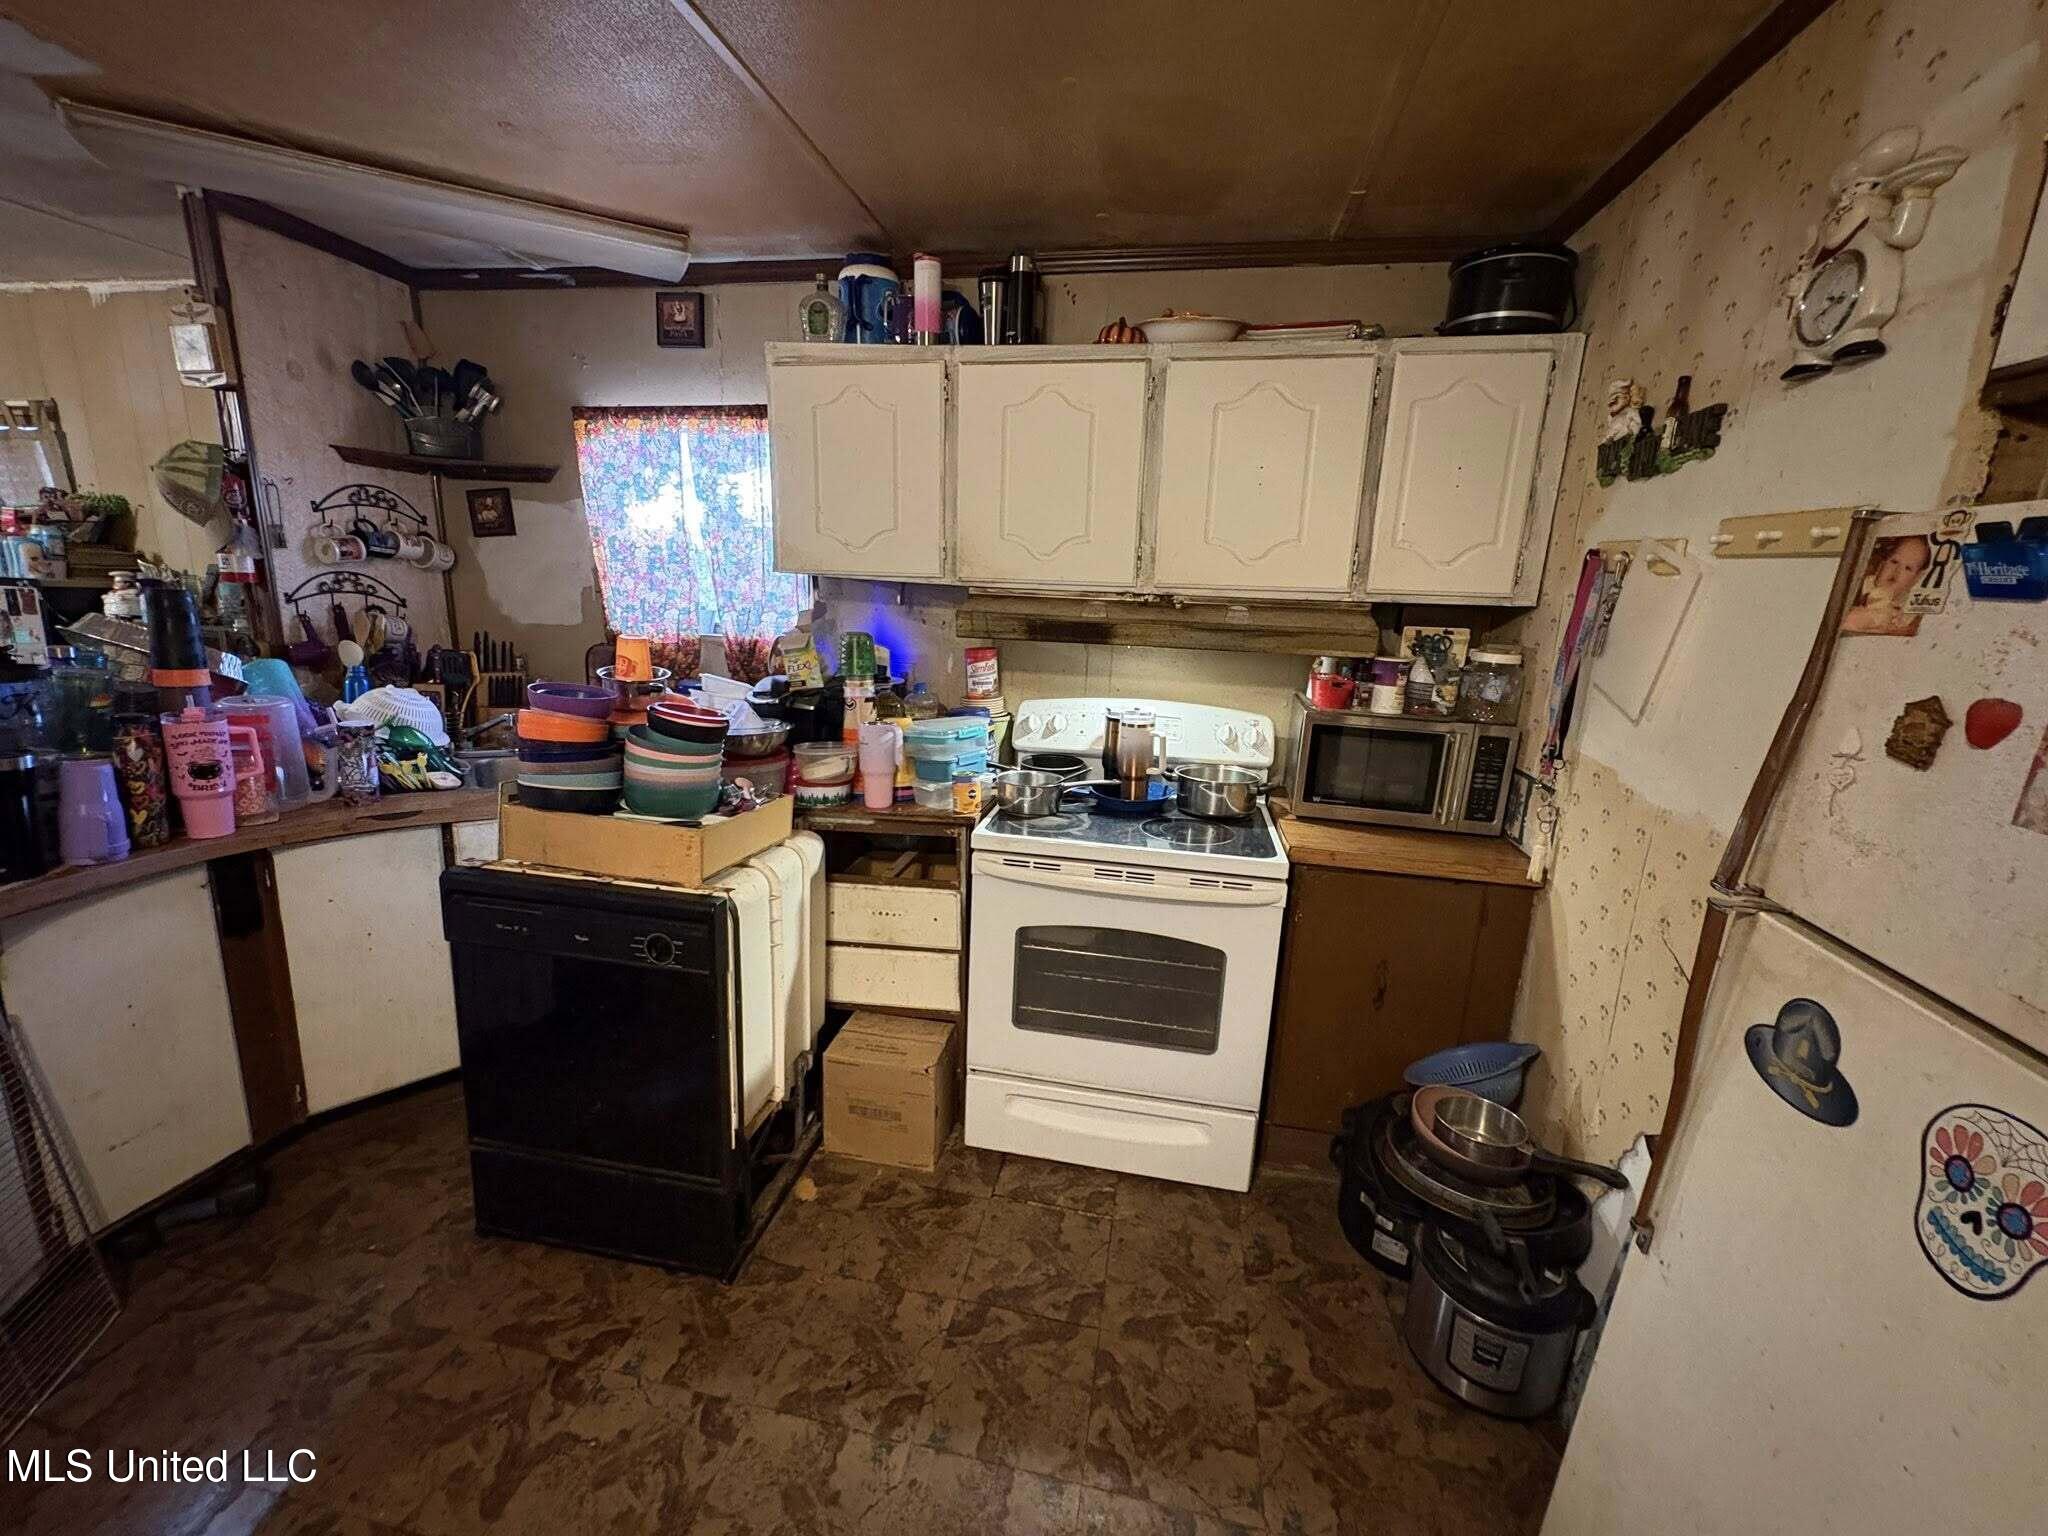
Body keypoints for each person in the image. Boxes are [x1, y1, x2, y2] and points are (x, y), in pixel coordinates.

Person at [1841, 534, 1932, 635]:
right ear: (1883, 562)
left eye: (1908, 568)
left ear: (1915, 578)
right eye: (1894, 561)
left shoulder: (1908, 606)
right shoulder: (1858, 584)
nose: (1897, 571)